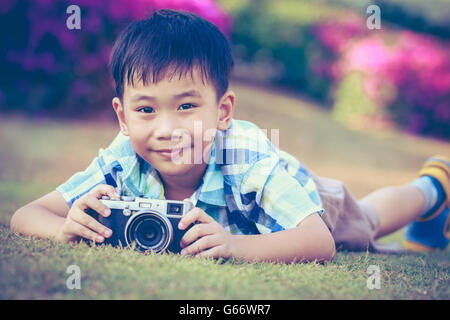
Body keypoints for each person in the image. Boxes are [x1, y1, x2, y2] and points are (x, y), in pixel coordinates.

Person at [10, 9, 449, 263]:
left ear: (223, 112)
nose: (167, 130)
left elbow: (318, 242)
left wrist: (235, 246)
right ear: (123, 118)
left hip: (305, 198)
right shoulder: (122, 158)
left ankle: (433, 187)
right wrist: (65, 227)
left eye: (186, 106)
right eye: (146, 110)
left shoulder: (246, 155)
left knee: (366, 221)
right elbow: (25, 215)